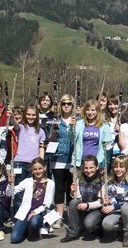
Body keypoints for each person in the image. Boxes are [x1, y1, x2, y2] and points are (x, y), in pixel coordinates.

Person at [60, 155, 108, 243]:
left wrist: (87, 205)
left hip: (97, 209)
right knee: (73, 202)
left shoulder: (102, 179)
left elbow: (101, 202)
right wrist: (73, 192)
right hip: (84, 206)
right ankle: (73, 233)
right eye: (86, 168)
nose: (88, 170)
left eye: (91, 167)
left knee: (89, 224)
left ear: (97, 167)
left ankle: (98, 227)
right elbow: (77, 198)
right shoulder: (80, 177)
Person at [11, 104, 46, 216]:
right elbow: (14, 123)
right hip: (19, 163)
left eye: (33, 115)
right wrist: (11, 115)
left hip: (33, 164)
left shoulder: (41, 131)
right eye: (28, 114)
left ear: (37, 116)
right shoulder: (21, 127)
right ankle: (18, 216)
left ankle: (30, 215)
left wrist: (41, 163)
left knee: (32, 191)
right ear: (25, 115)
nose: (31, 117)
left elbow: (41, 148)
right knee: (19, 192)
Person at [48, 94, 77, 229]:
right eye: (64, 103)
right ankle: (60, 216)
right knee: (59, 188)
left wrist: (74, 126)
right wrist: (54, 129)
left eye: (69, 103)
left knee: (70, 188)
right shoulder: (56, 120)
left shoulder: (78, 120)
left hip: (72, 158)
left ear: (72, 105)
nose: (66, 106)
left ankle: (71, 217)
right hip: (58, 158)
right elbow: (51, 139)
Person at [10, 157, 55, 243]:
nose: (38, 171)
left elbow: (48, 203)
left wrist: (35, 212)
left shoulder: (50, 183)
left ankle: (36, 231)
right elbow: (10, 193)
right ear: (32, 170)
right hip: (26, 212)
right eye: (35, 169)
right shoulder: (28, 181)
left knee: (34, 222)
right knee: (14, 239)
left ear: (44, 168)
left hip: (39, 213)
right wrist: (10, 184)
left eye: (40, 168)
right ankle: (26, 229)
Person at [101, 155, 128, 247]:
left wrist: (114, 206)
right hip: (118, 211)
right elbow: (111, 199)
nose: (118, 169)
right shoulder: (110, 181)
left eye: (121, 167)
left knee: (126, 207)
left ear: (127, 168)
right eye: (116, 167)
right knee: (106, 224)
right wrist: (107, 203)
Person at [73, 99, 112, 170]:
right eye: (88, 110)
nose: (90, 112)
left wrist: (103, 164)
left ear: (97, 111)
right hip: (81, 162)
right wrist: (71, 127)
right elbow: (71, 138)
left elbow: (107, 146)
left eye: (93, 110)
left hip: (97, 163)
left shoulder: (104, 126)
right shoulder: (79, 123)